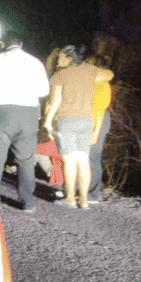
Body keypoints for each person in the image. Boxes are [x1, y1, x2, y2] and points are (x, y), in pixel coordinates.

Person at [0, 30, 51, 212]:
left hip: (0, 112)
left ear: (3, 44)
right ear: (21, 44)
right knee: (26, 159)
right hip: (28, 114)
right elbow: (44, 91)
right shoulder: (35, 62)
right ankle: (27, 202)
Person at [42, 46, 114, 209]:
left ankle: (70, 199)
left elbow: (55, 102)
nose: (58, 60)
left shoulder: (59, 75)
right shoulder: (89, 71)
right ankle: (84, 200)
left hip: (66, 120)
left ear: (69, 58)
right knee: (82, 160)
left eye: (61, 57)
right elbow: (109, 75)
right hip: (86, 121)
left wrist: (47, 122)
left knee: (68, 160)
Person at [85, 54, 114, 204]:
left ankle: (93, 193)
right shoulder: (93, 81)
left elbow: (99, 110)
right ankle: (82, 190)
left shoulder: (101, 84)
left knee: (93, 157)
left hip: (98, 121)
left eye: (88, 63)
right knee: (85, 156)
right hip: (90, 119)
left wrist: (95, 131)